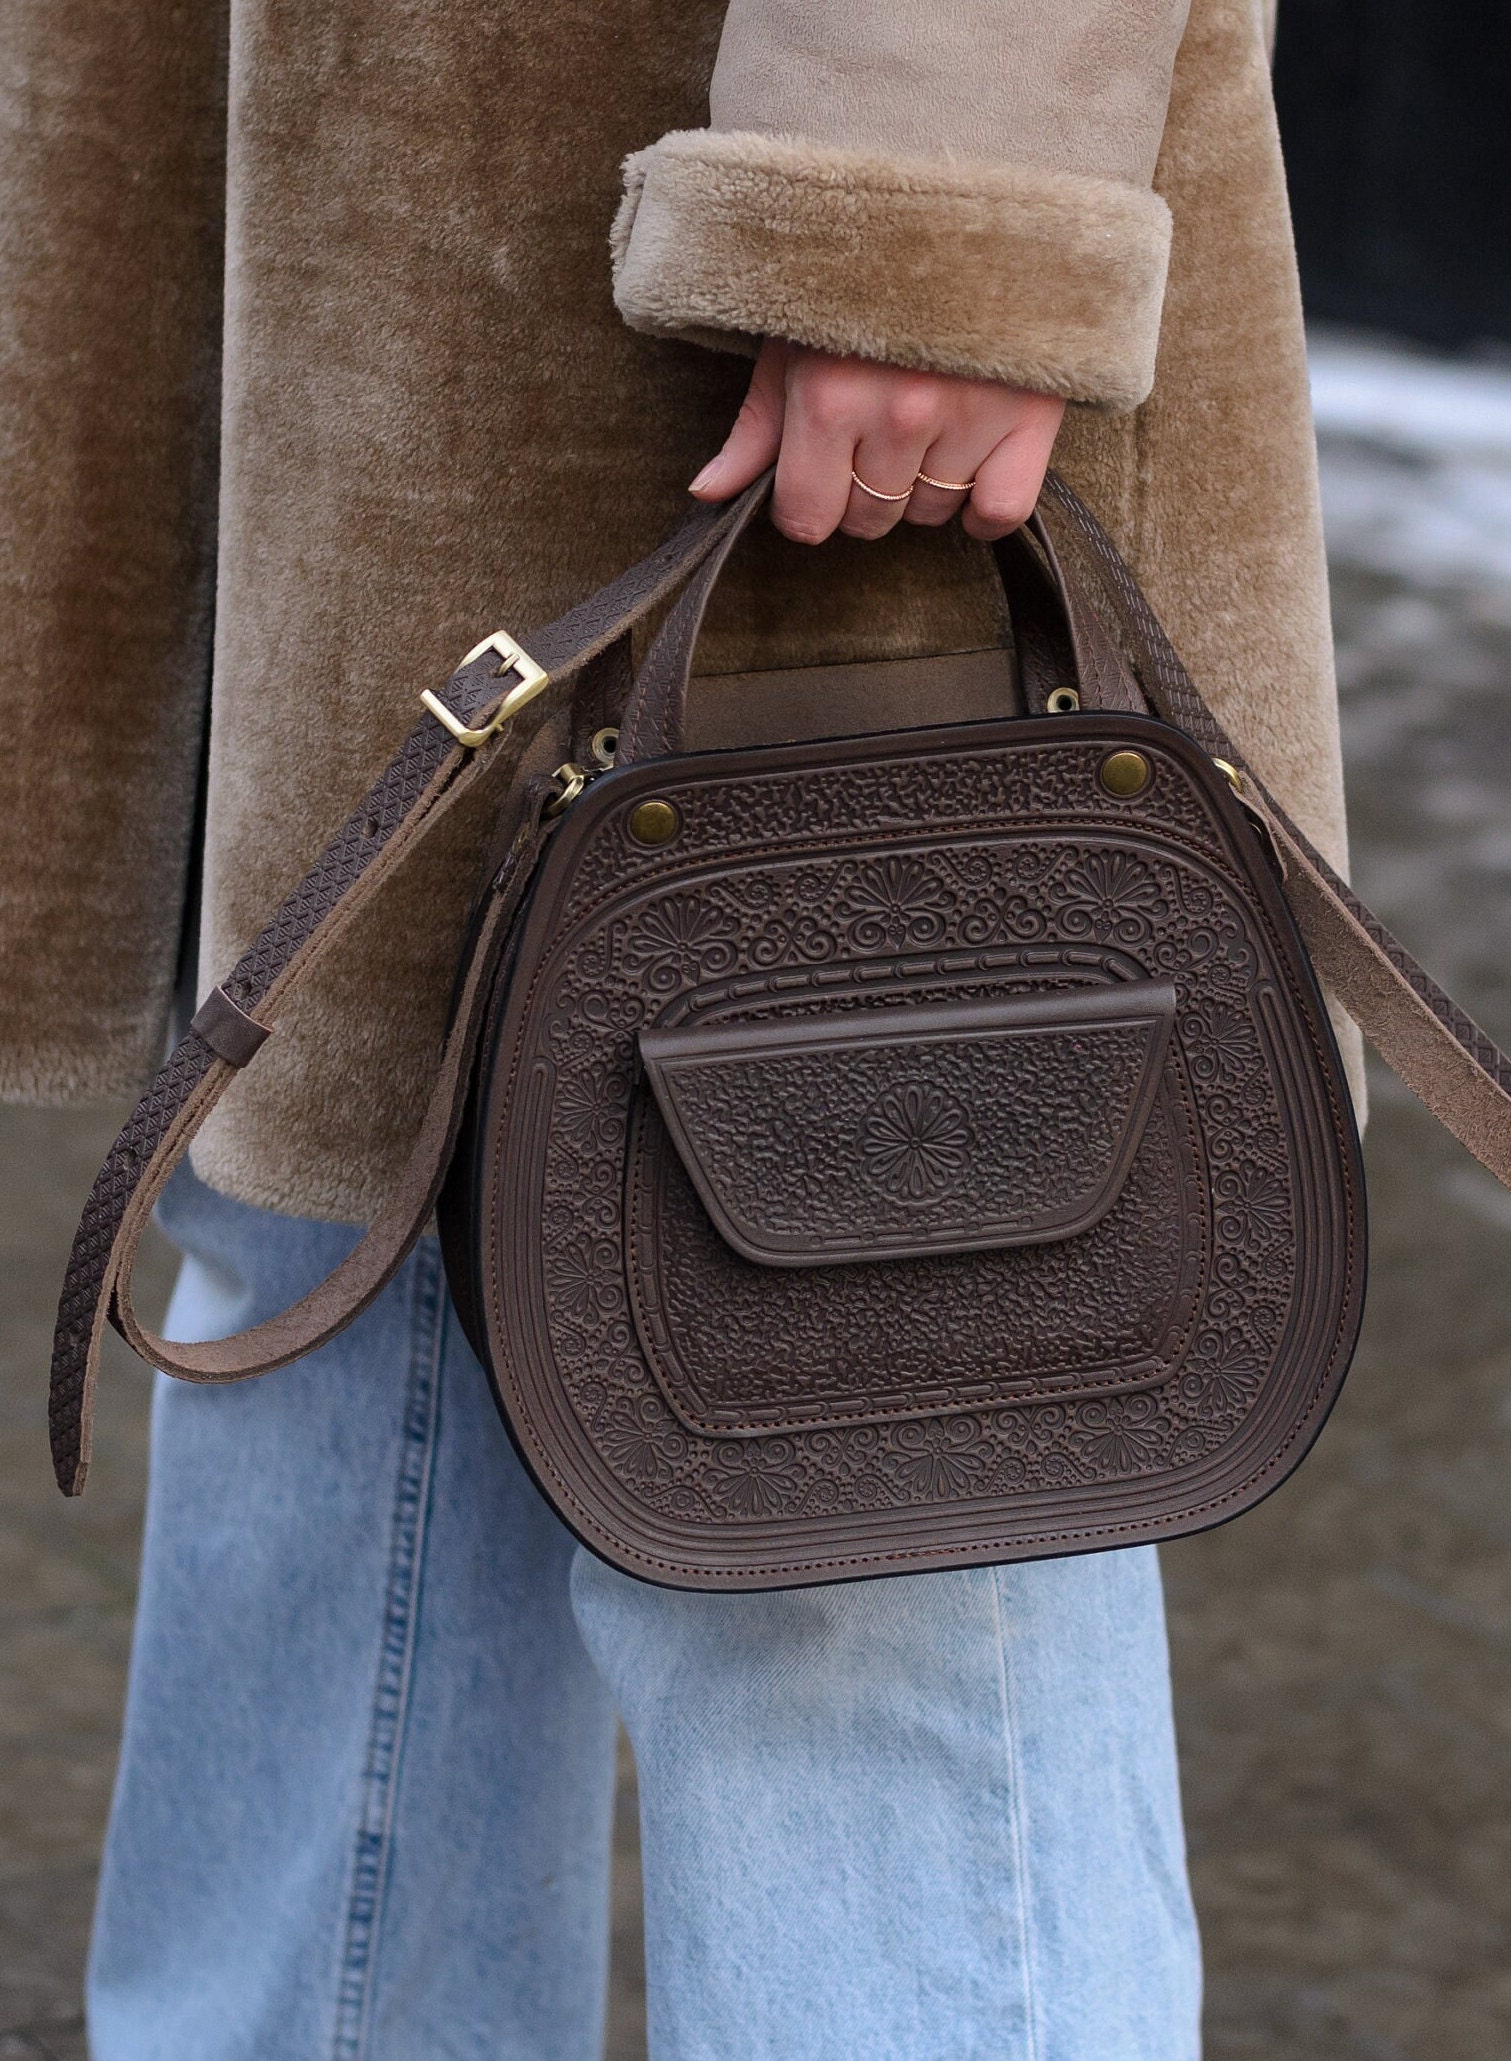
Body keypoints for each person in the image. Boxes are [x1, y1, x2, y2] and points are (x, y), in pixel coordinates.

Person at [0, 0, 1359, 2053]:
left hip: (784, 310)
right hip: (338, 274)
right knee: (332, 1317)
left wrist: (925, 185)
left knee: (869, 1446)